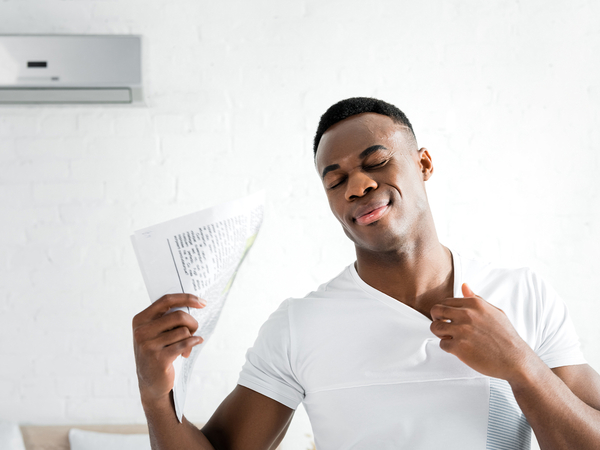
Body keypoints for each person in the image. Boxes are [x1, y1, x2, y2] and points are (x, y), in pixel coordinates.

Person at [132, 97, 600, 450]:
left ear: (423, 163)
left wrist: (521, 365)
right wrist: (157, 398)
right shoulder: (299, 326)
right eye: (335, 179)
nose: (358, 184)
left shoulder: (523, 294)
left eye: (376, 162)